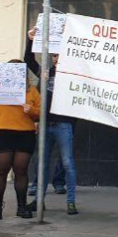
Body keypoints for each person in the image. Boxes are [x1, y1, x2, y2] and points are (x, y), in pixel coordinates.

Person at [0, 61, 41, 220]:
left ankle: (21, 207)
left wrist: (31, 110)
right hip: (1, 133)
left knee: (21, 171)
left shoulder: (32, 91)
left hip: (25, 134)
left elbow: (40, 112)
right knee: (1, 170)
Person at [24, 26, 79, 215]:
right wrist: (30, 40)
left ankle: (71, 202)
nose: (56, 59)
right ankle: (39, 201)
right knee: (42, 163)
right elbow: (28, 61)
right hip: (47, 124)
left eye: (60, 55)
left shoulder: (73, 75)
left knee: (67, 163)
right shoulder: (46, 73)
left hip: (64, 125)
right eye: (54, 55)